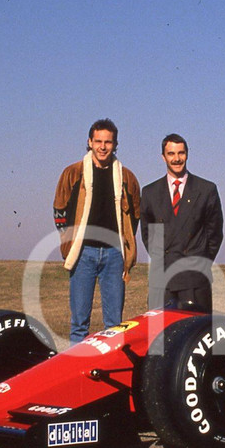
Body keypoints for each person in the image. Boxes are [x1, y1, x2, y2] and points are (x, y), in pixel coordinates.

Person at [53, 118, 140, 345]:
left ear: (115, 144)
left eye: (108, 142)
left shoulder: (127, 178)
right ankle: (77, 372)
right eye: (98, 141)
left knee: (114, 324)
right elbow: (59, 210)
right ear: (90, 142)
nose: (103, 146)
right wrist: (69, 242)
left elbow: (135, 216)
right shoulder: (73, 173)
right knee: (79, 323)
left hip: (114, 255)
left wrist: (126, 244)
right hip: (83, 253)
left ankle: (110, 370)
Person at [140, 133, 224, 311]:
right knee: (161, 337)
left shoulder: (206, 189)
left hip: (195, 280)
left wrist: (200, 262)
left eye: (181, 153)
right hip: (162, 281)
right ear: (163, 157)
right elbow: (148, 235)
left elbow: (214, 233)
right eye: (171, 154)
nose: (177, 159)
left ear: (187, 154)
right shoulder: (150, 192)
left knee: (196, 335)